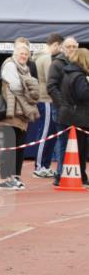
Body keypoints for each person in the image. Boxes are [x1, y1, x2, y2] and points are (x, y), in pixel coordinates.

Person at [0, 37, 40, 189]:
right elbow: (16, 87)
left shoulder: (26, 68)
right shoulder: (9, 65)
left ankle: (14, 176)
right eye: (21, 53)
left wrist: (29, 88)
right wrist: (29, 88)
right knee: (9, 146)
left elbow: (33, 88)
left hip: (22, 112)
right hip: (11, 112)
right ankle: (4, 179)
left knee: (18, 146)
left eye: (26, 54)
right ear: (15, 53)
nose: (23, 56)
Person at [47, 35, 79, 185]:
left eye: (74, 46)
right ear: (63, 48)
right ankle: (59, 175)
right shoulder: (57, 64)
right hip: (60, 110)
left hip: (77, 110)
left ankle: (73, 173)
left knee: (75, 143)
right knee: (63, 142)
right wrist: (62, 104)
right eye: (69, 46)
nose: (72, 49)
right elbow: (51, 87)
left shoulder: (78, 63)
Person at [32, 32, 64, 178]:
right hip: (46, 100)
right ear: (56, 44)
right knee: (45, 133)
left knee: (49, 134)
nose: (63, 50)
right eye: (62, 47)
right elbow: (53, 80)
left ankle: (44, 165)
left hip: (46, 100)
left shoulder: (42, 57)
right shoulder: (46, 58)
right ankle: (39, 167)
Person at [59, 47, 89, 186]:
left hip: (68, 114)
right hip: (78, 116)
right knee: (80, 149)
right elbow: (83, 95)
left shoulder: (68, 73)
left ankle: (67, 175)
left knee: (70, 148)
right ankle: (80, 176)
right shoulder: (79, 76)